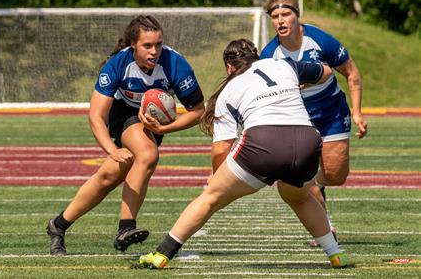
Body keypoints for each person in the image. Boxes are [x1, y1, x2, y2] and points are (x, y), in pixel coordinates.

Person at [136, 39, 349, 269]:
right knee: (299, 197)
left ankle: (162, 254)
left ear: (229, 67)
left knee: (209, 198)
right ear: (256, 58)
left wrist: (218, 180)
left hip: (264, 142)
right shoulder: (284, 65)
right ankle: (335, 254)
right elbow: (326, 71)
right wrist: (302, 84)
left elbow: (221, 148)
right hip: (308, 140)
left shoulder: (229, 90)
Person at [46, 15, 205, 256]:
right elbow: (96, 116)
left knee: (108, 177)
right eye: (147, 46)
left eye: (159, 44)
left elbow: (198, 112)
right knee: (148, 154)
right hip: (122, 115)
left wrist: (164, 129)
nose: (155, 51)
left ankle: (58, 225)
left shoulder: (176, 64)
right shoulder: (117, 65)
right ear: (133, 45)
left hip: (151, 123)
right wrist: (111, 149)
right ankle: (125, 227)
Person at [260, 0, 368, 246]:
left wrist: (358, 112)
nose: (280, 20)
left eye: (286, 14)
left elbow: (351, 74)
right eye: (275, 16)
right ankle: (326, 229)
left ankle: (316, 183)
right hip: (298, 118)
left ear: (298, 17)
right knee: (301, 176)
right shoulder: (269, 55)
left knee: (335, 175)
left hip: (331, 112)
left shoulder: (321, 41)